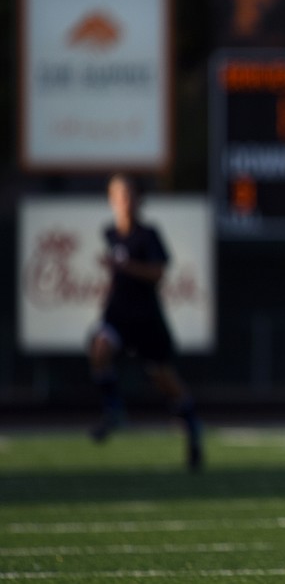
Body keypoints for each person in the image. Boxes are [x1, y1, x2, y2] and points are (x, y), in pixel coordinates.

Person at [88, 173, 204, 472]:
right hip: (118, 315)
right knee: (100, 348)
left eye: (128, 195)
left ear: (138, 199)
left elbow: (157, 272)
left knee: (163, 378)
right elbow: (117, 276)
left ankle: (192, 431)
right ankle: (114, 410)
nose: (123, 202)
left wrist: (126, 267)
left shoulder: (147, 235)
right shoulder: (110, 233)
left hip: (146, 318)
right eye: (117, 196)